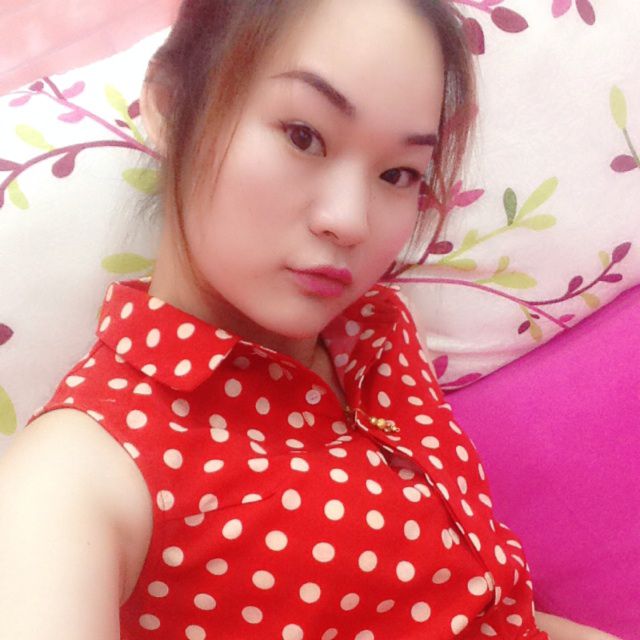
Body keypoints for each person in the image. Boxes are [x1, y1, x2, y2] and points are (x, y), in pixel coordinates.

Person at [0, 1, 623, 639]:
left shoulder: (378, 336)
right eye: (303, 136)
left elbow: (487, 613)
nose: (349, 220)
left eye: (398, 174)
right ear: (171, 104)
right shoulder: (84, 469)